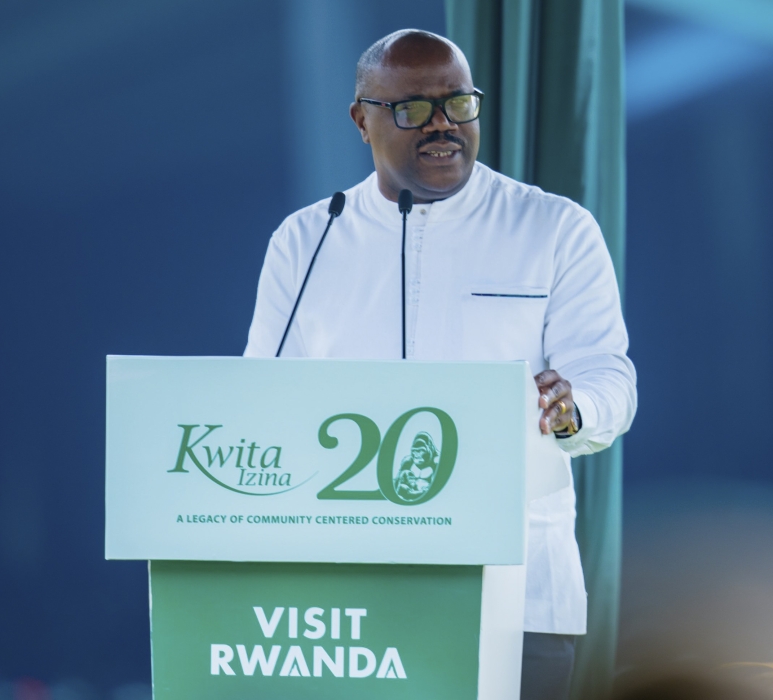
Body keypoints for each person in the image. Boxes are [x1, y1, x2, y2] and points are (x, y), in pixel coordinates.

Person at [244, 28, 636, 700]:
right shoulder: (308, 240)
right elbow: (259, 402)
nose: (442, 126)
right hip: (350, 603)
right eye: (413, 109)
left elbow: (609, 378)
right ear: (361, 120)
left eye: (459, 104)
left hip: (517, 597)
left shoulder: (553, 227)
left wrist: (575, 410)